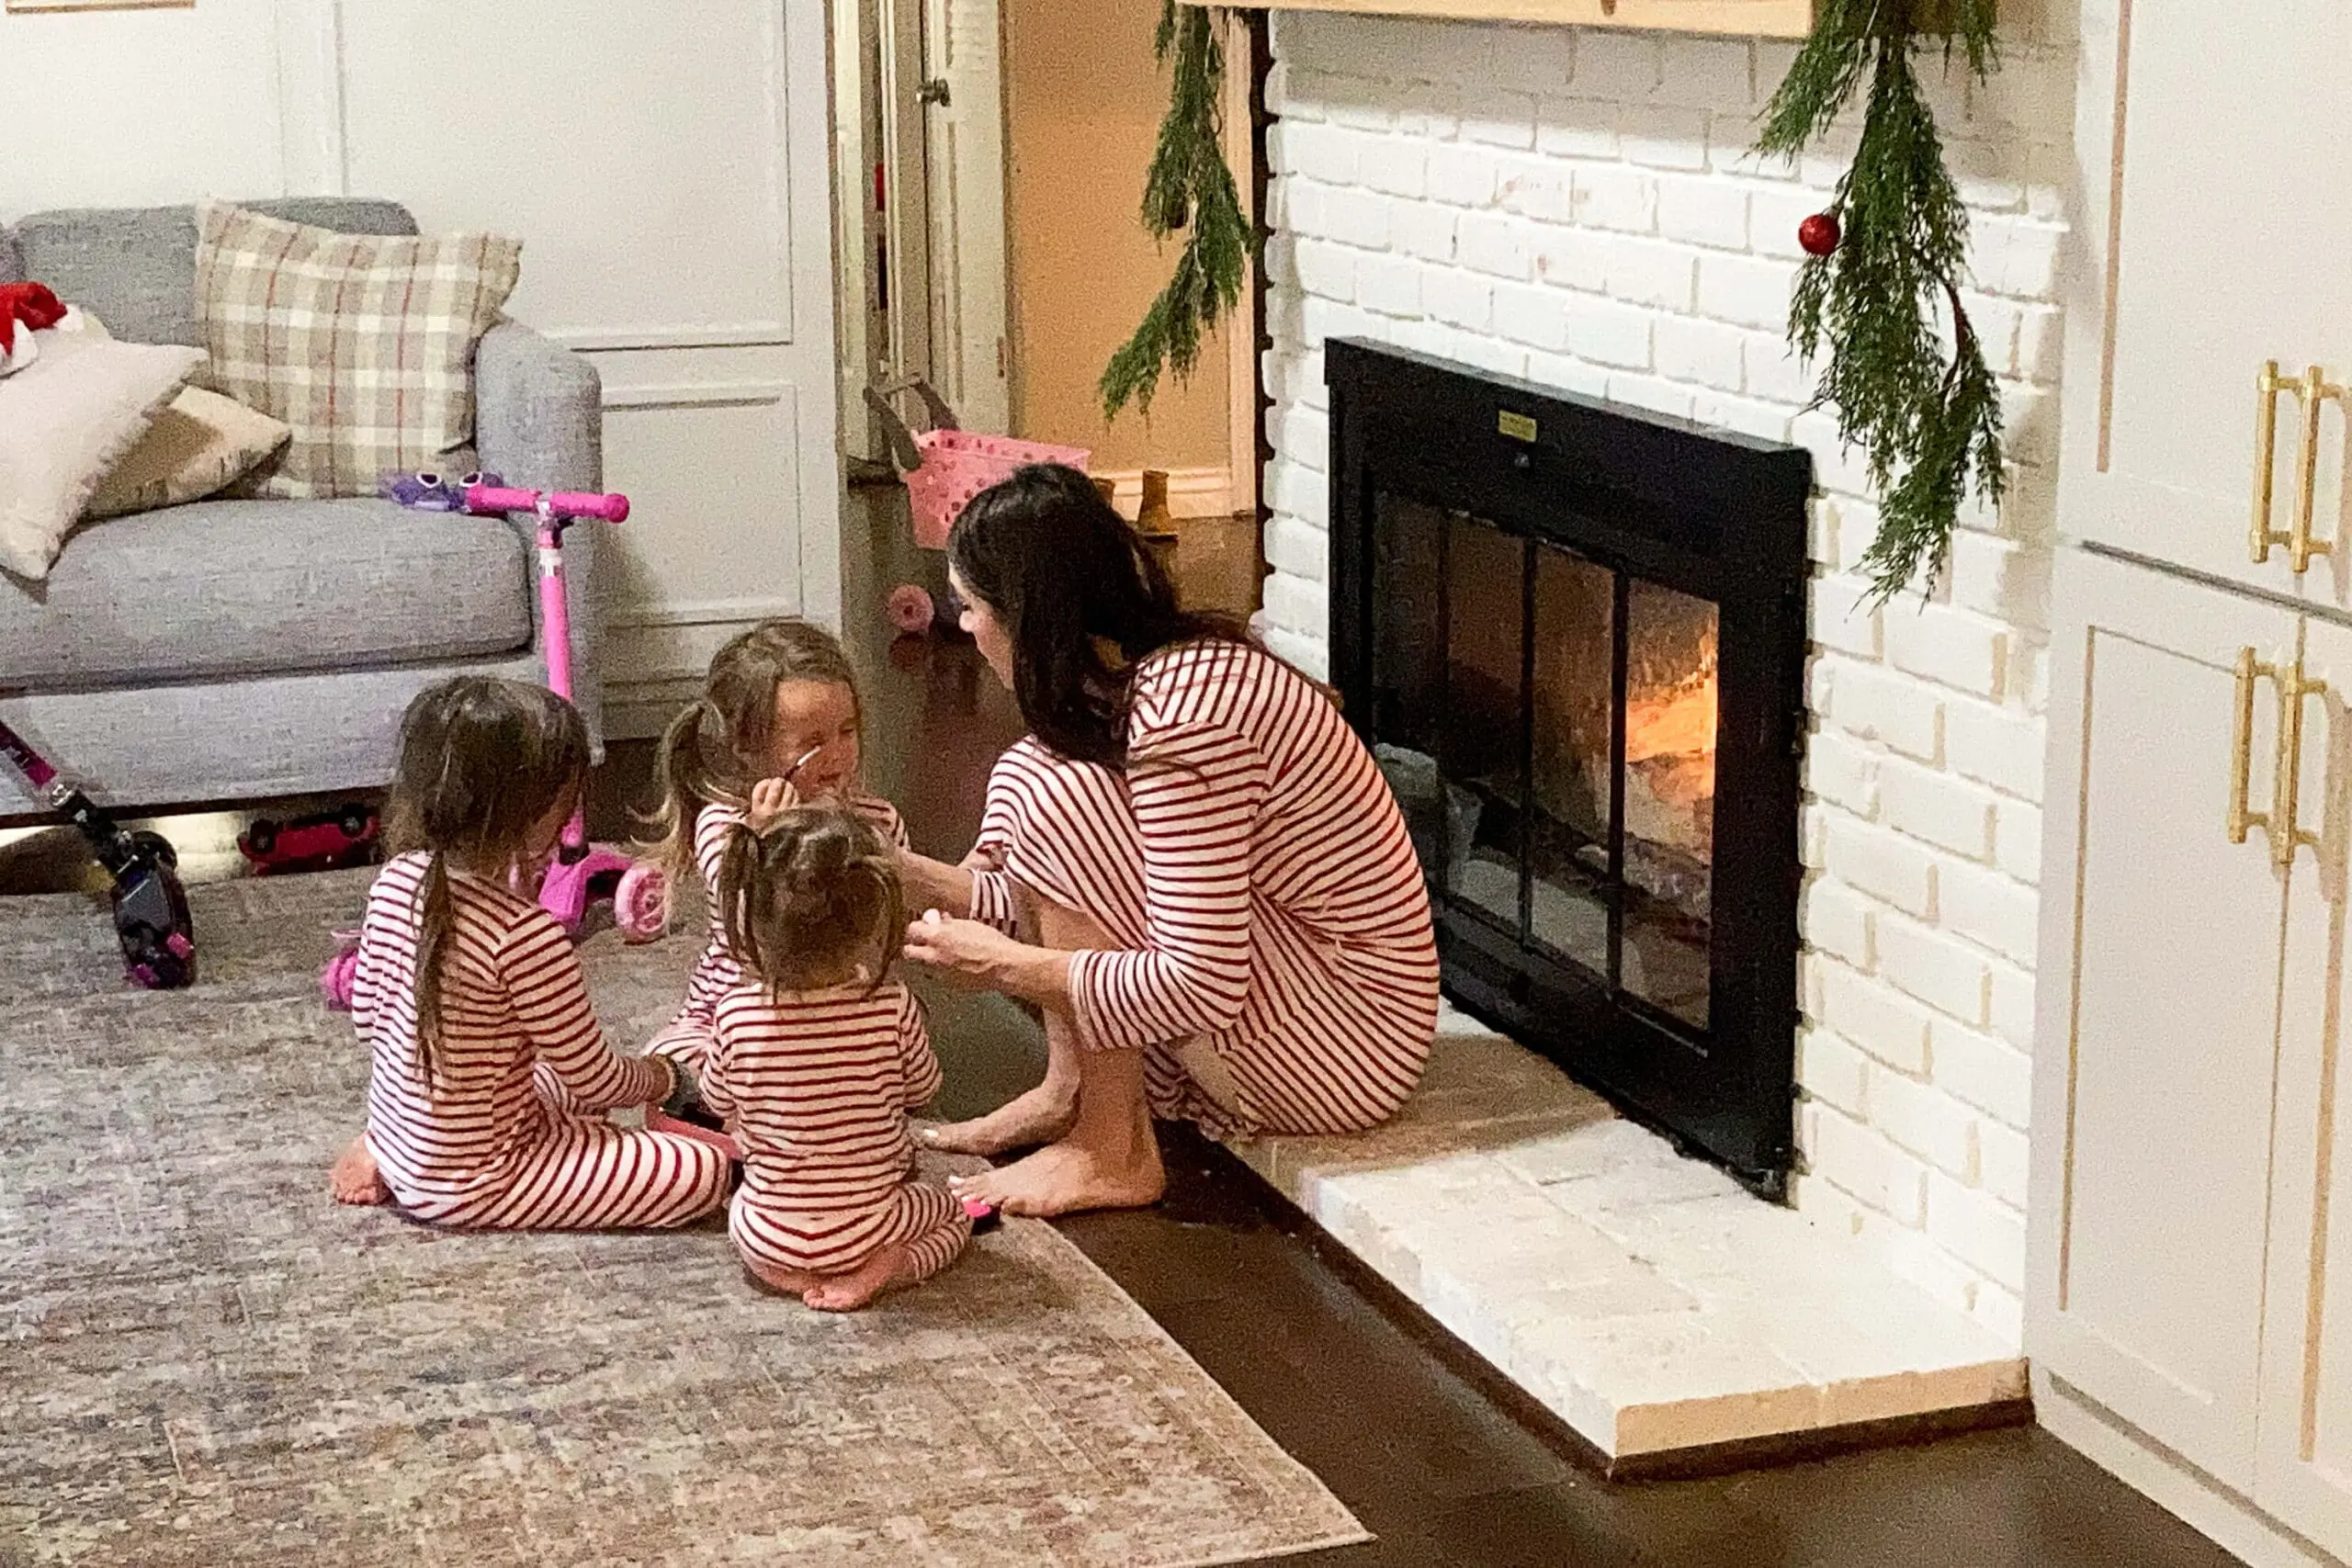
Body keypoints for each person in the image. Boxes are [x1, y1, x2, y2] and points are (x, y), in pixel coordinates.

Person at [899, 463, 1441, 1216]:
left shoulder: (1186, 722)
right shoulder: (1158, 683)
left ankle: (1109, 1147)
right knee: (1037, 770)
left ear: (1027, 613)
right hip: (1305, 987)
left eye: (971, 604)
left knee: (1056, 792)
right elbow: (1057, 894)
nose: (964, 624)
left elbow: (1196, 981)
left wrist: (1013, 969)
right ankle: (1073, 1088)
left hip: (1345, 1044)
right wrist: (900, 872)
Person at [327, 677, 729, 1229]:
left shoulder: (397, 879)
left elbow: (370, 1025)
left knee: (551, 1082)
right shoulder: (525, 935)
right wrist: (668, 1076)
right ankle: (538, 1156)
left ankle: (386, 1149)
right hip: (476, 1181)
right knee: (700, 1170)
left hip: (411, 1133)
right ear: (526, 812)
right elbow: (597, 1079)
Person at [702, 804, 968, 1310]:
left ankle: (788, 1276)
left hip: (766, 1236)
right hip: (872, 1225)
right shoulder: (891, 1007)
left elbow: (718, 1100)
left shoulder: (733, 1014)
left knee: (739, 1208)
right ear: (871, 923)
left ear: (754, 922)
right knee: (956, 1215)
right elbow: (924, 1090)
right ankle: (887, 1269)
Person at [640, 619, 907, 1083]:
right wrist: (769, 841)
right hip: (745, 1012)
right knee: (674, 1059)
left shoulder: (880, 820)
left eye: (847, 731)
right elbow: (750, 923)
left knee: (899, 1035)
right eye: (812, 742)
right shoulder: (726, 826)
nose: (838, 753)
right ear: (747, 748)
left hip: (845, 1009)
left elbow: (895, 923)